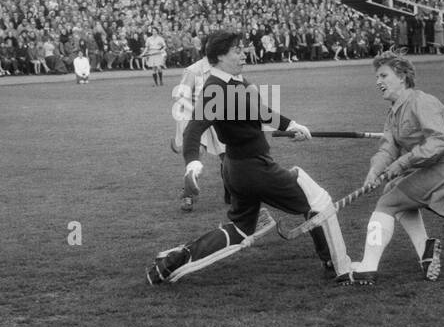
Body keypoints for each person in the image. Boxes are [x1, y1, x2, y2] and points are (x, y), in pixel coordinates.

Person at [146, 31, 351, 284]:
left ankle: (175, 260)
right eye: (237, 51)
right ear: (220, 56)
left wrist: (292, 125)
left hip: (237, 170)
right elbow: (193, 128)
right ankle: (339, 266)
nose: (244, 54)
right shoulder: (216, 89)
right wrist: (192, 163)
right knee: (318, 201)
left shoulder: (233, 82)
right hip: (253, 168)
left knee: (241, 229)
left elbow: (259, 112)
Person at [339, 53, 444, 285]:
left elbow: (438, 142)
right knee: (395, 191)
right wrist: (375, 170)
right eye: (377, 77)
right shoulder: (393, 111)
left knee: (388, 202)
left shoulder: (421, 101)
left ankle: (367, 267)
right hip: (435, 167)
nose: (378, 81)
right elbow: (387, 149)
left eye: (384, 75)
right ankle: (426, 250)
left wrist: (401, 164)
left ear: (402, 77)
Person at [170, 53, 226, 212]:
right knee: (196, 154)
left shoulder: (224, 67)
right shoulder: (193, 70)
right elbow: (179, 97)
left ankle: (232, 191)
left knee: (227, 155)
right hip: (196, 116)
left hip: (218, 116)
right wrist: (198, 113)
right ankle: (188, 196)